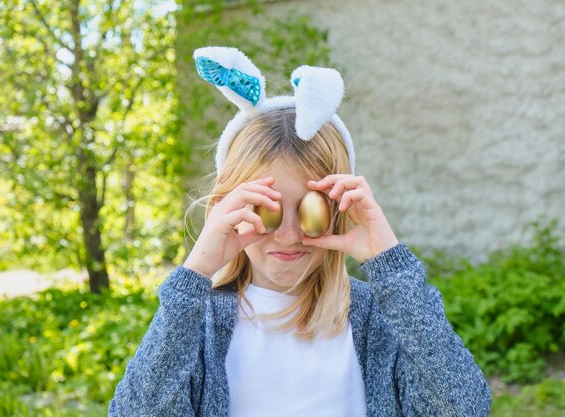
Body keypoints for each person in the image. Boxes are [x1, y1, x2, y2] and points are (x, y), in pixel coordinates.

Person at [109, 46, 492, 417]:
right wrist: (194, 275)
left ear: (342, 211)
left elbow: (464, 408)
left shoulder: (380, 319)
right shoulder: (197, 325)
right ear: (227, 211)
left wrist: (390, 264)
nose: (289, 235)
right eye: (266, 210)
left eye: (312, 211)